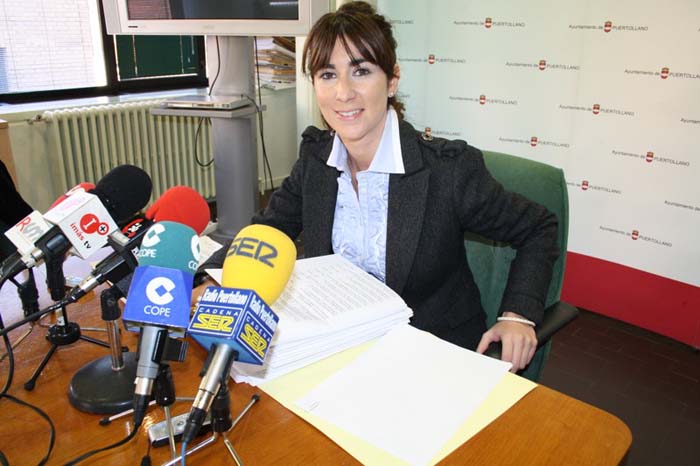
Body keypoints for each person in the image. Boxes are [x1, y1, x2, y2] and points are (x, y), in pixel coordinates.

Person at [199, 1, 559, 372]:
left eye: (361, 71)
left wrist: (517, 315)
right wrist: (210, 279)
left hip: (432, 356)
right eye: (327, 74)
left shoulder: (447, 170)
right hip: (339, 349)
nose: (343, 93)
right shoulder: (316, 160)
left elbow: (538, 227)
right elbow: (268, 231)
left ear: (392, 81)